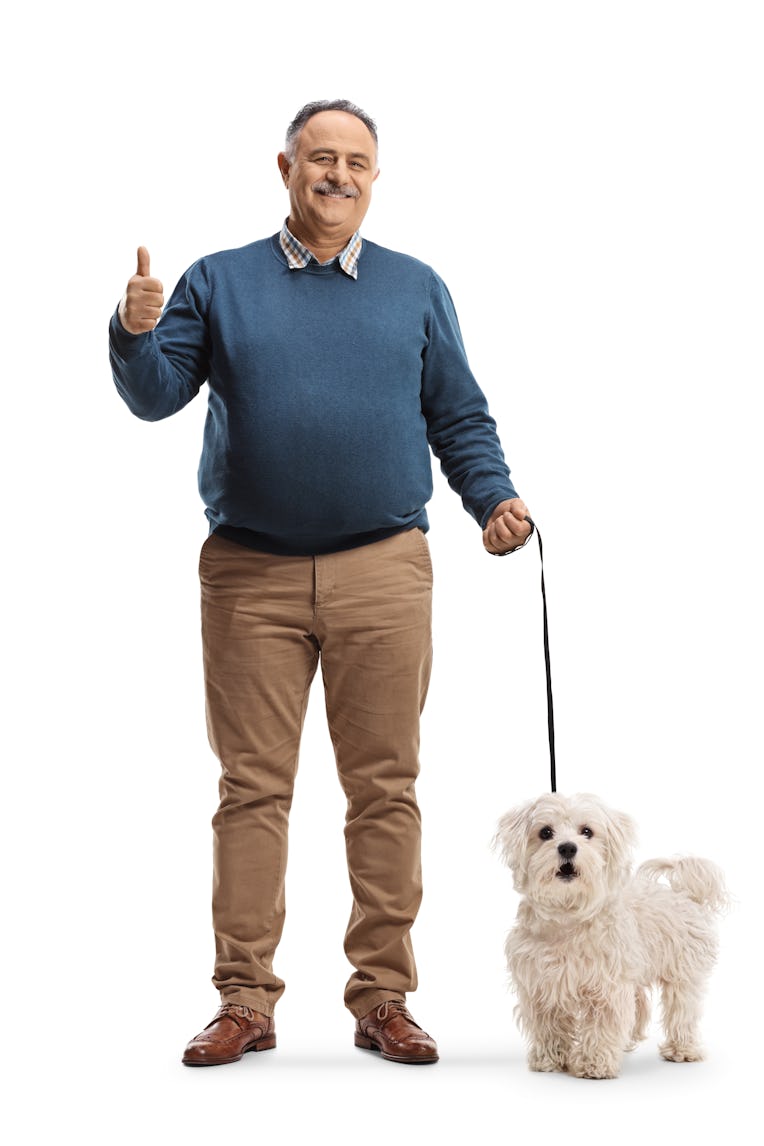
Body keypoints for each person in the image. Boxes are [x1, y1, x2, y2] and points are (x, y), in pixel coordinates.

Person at [109, 98, 532, 1067]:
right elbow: (153, 397)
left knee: (385, 789)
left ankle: (382, 996)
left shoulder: (414, 287)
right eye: (319, 159)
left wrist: (493, 502)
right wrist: (135, 334)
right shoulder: (219, 282)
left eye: (356, 161)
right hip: (248, 577)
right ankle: (244, 1001)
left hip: (383, 569)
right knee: (250, 790)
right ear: (284, 167)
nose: (337, 175)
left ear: (374, 177)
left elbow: (457, 415)